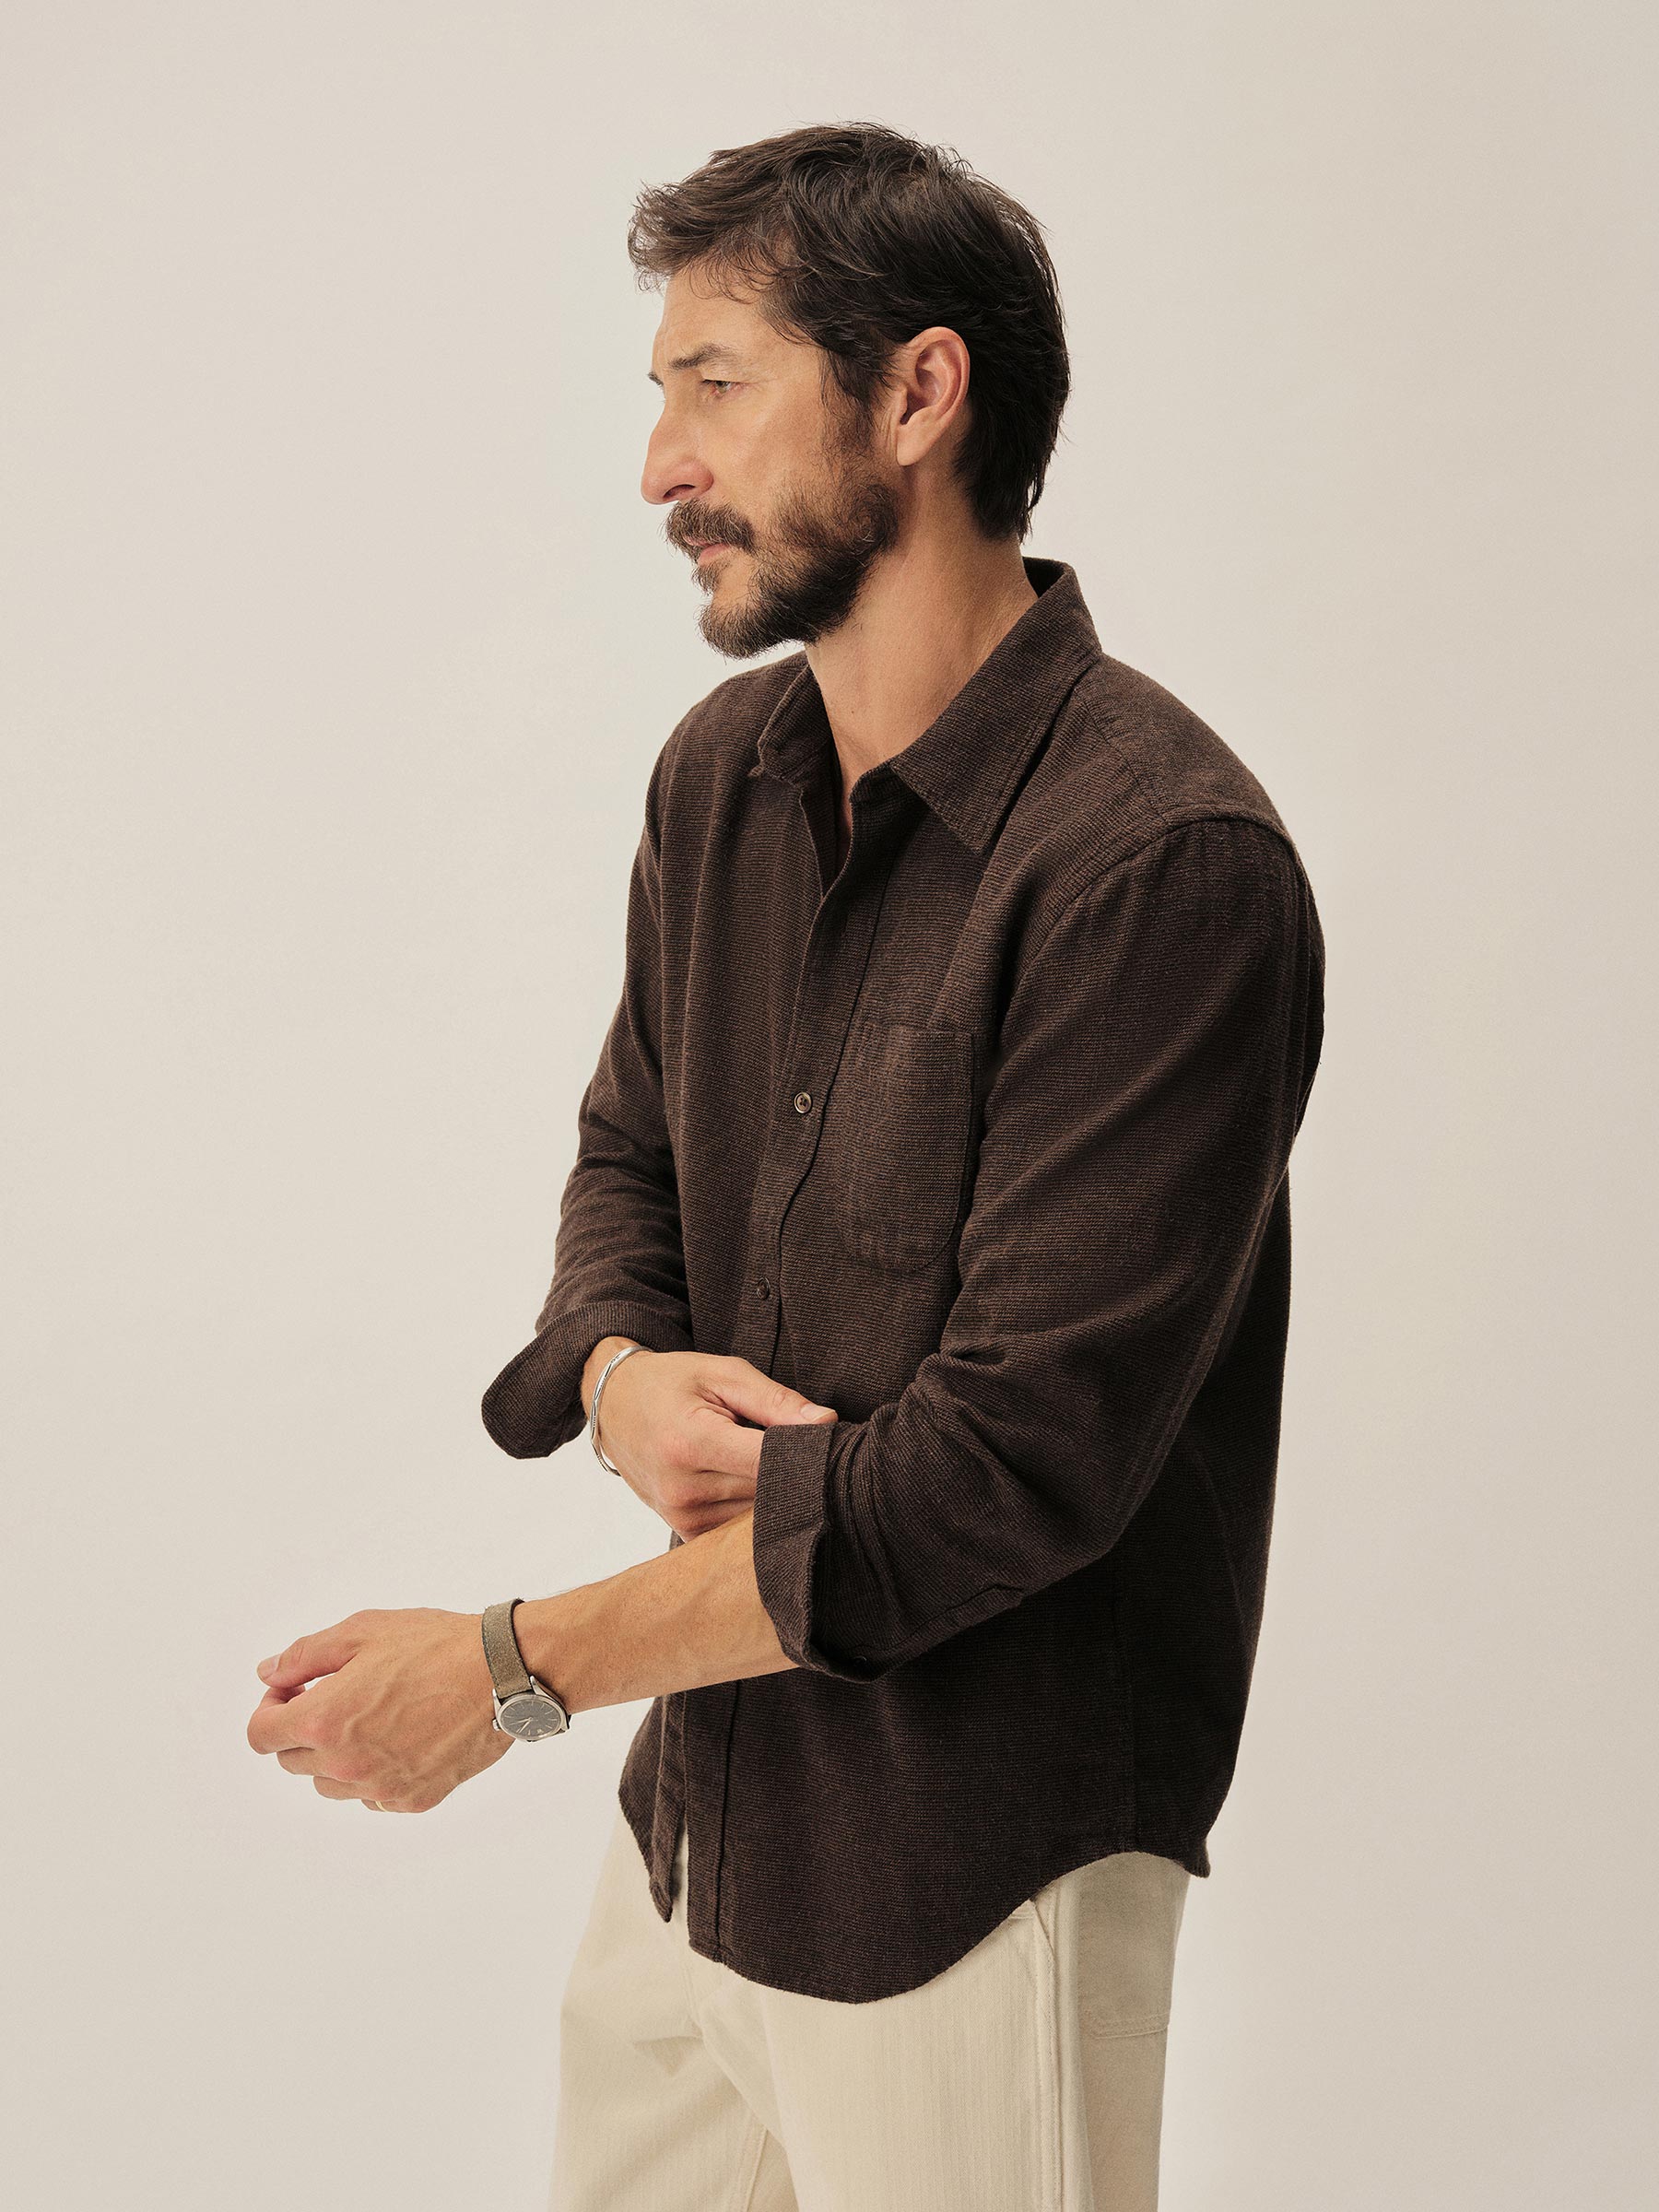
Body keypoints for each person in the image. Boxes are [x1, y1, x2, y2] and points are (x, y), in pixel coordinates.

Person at [247, 122, 1325, 2211]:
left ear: (919, 395)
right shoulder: (722, 779)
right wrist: (618, 1374)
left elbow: (1000, 1478)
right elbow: (625, 1159)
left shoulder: (1161, 864)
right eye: (661, 396)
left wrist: (502, 1672)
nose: (663, 465)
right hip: (701, 1838)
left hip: (974, 1873)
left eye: (716, 384)